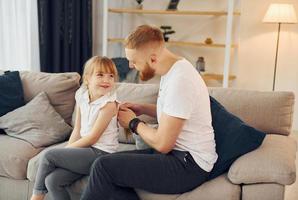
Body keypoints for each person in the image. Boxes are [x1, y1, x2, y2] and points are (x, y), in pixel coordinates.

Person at [81, 25, 218, 200]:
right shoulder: (174, 69)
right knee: (107, 167)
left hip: (189, 165)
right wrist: (142, 108)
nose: (130, 65)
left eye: (134, 61)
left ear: (152, 59)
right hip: (178, 155)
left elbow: (163, 143)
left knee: (103, 167)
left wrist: (133, 123)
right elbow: (175, 112)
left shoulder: (180, 81)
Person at [31, 56, 120, 200]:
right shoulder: (81, 95)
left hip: (102, 154)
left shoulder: (109, 105)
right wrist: (69, 149)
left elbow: (93, 138)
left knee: (49, 155)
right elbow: (77, 129)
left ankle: (36, 197)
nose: (106, 80)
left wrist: (65, 151)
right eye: (100, 75)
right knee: (52, 181)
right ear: (87, 79)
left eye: (111, 76)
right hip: (86, 151)